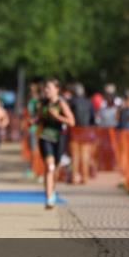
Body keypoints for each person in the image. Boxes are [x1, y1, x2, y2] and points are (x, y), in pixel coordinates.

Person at [35, 78, 75, 208]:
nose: (46, 90)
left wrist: (57, 116)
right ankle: (49, 198)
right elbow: (39, 119)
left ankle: (52, 191)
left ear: (57, 89)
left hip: (59, 139)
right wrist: (34, 121)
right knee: (49, 166)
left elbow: (72, 122)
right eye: (45, 88)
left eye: (49, 88)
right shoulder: (42, 104)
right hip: (45, 137)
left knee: (55, 170)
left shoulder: (61, 103)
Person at [68, 82, 94, 185]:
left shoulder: (72, 102)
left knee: (75, 156)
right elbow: (92, 117)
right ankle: (85, 177)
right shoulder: (88, 102)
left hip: (74, 130)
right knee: (85, 155)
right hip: (86, 130)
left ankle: (74, 177)